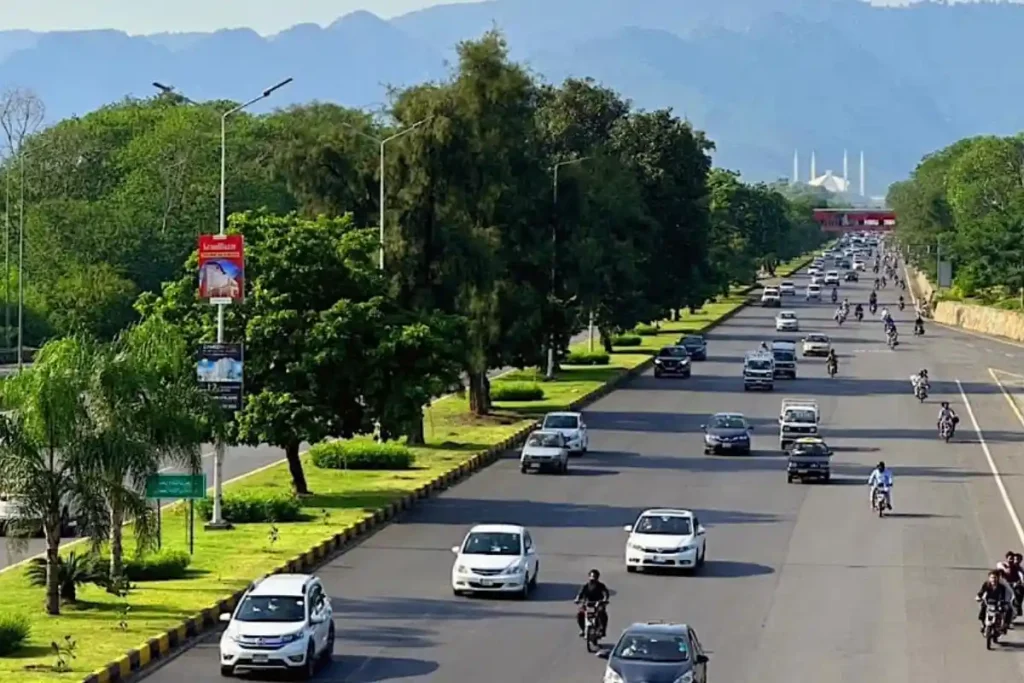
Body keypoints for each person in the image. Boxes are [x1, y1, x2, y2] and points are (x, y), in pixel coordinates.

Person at [575, 569, 610, 637]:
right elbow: (580, 594)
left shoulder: (601, 586)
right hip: (587, 603)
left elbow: (605, 593)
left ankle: (602, 629)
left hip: (598, 604)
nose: (593, 578)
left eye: (594, 576)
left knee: (602, 613)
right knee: (580, 614)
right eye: (591, 576)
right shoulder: (585, 586)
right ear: (589, 577)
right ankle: (583, 629)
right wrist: (577, 599)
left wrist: (605, 599)